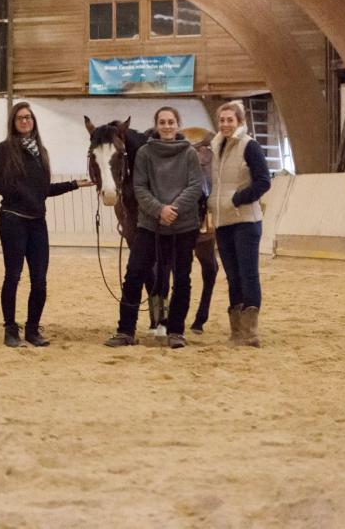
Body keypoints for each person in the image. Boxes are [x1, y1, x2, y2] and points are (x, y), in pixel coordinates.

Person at [0, 102, 90, 348]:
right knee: (13, 276)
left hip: (37, 223)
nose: (25, 121)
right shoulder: (4, 150)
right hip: (13, 220)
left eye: (29, 118)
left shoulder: (41, 152)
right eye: (20, 118)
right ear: (13, 122)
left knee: (40, 280)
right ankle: (11, 329)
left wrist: (75, 184)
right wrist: (22, 194)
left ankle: (33, 329)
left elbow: (44, 190)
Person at [105, 106, 203, 349]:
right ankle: (126, 330)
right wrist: (159, 209)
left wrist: (174, 209)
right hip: (150, 225)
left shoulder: (189, 154)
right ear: (157, 125)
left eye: (171, 121)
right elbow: (139, 187)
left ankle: (176, 331)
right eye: (163, 122)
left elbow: (195, 186)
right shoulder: (145, 154)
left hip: (183, 226)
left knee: (181, 279)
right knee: (134, 274)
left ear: (177, 124)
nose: (167, 126)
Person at [209, 101, 271, 347]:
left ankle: (250, 332)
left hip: (245, 220)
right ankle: (236, 331)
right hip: (223, 222)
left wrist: (237, 198)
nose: (225, 124)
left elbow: (264, 182)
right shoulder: (217, 147)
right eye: (222, 120)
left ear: (239, 122)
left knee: (248, 274)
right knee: (233, 276)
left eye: (229, 120)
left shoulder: (250, 146)